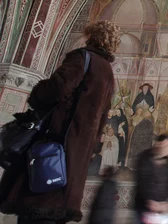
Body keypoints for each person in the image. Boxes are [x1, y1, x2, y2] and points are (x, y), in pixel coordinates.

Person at [0, 20, 120, 224]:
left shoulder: (82, 58)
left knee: (36, 210)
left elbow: (57, 88)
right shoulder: (108, 74)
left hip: (52, 152)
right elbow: (102, 120)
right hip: (73, 164)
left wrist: (37, 93)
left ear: (91, 36)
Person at [134, 133, 168, 224]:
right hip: (143, 208)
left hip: (160, 210)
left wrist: (166, 201)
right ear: (163, 143)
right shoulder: (144, 157)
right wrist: (150, 200)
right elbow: (142, 181)